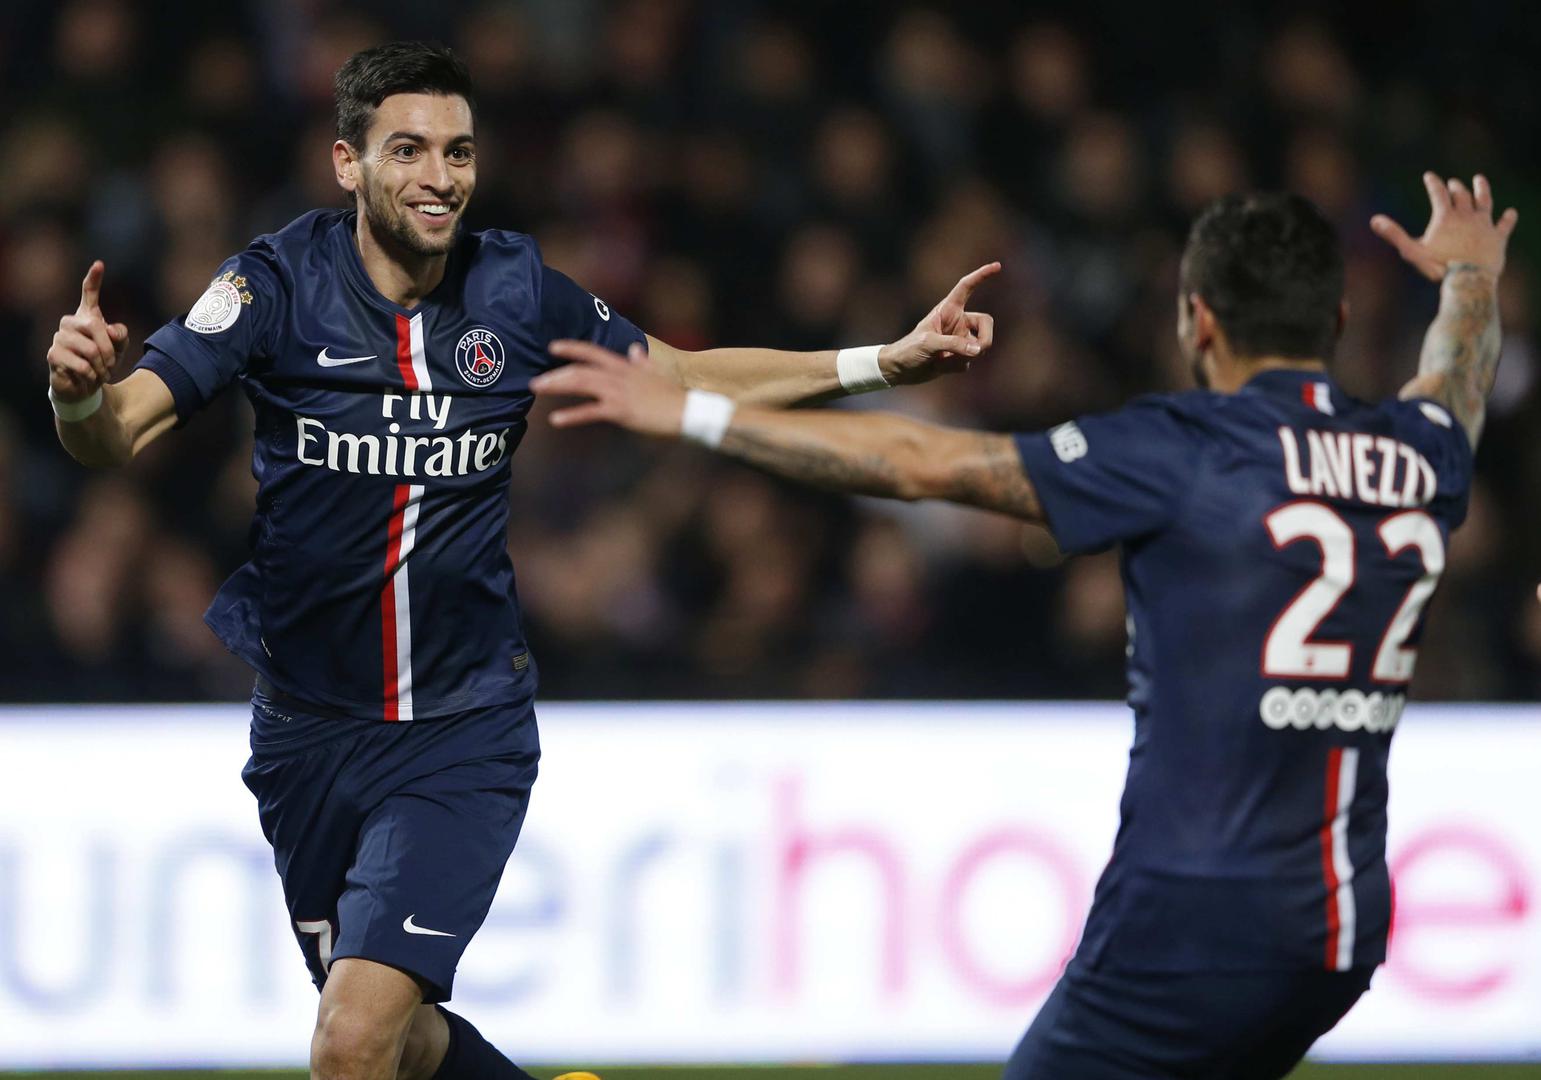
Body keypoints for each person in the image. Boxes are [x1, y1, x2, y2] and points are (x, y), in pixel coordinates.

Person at [43, 41, 998, 1080]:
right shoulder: (271, 286)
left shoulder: (515, 289)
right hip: (306, 732)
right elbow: (118, 431)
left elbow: (680, 375)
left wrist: (881, 361)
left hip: (460, 728)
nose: (439, 177)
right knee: (396, 1043)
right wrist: (78, 395)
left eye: (457, 151)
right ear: (346, 163)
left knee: (349, 1041)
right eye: (407, 150)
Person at [531, 174, 1516, 1078]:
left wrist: (694, 415)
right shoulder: (1414, 453)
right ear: (1336, 318)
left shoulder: (1182, 451)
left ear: (1197, 319)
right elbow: (1455, 380)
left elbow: (922, 465)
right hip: (1340, 928)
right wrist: (1470, 276)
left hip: (1189, 920)